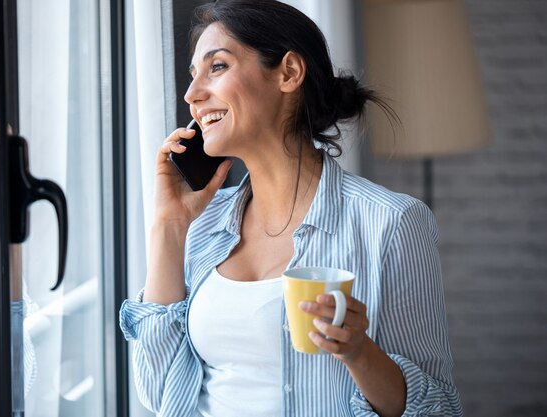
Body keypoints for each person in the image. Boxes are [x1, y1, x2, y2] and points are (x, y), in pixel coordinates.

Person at [119, 1, 462, 416]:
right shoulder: (202, 224)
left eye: (218, 67)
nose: (192, 95)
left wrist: (358, 352)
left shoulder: (389, 223)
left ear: (288, 73)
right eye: (193, 76)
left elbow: (439, 408)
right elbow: (159, 393)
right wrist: (167, 225)